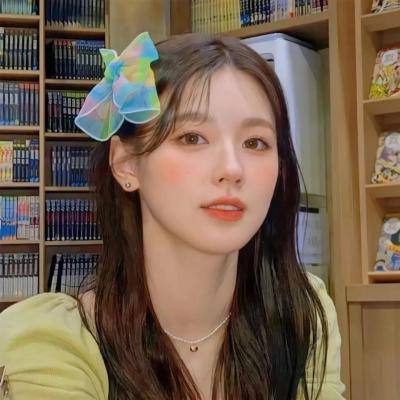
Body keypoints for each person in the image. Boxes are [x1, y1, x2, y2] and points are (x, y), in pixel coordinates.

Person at [0, 32, 345, 400]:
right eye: (192, 138)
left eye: (255, 142)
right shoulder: (53, 343)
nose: (232, 169)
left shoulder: (302, 313)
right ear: (126, 162)